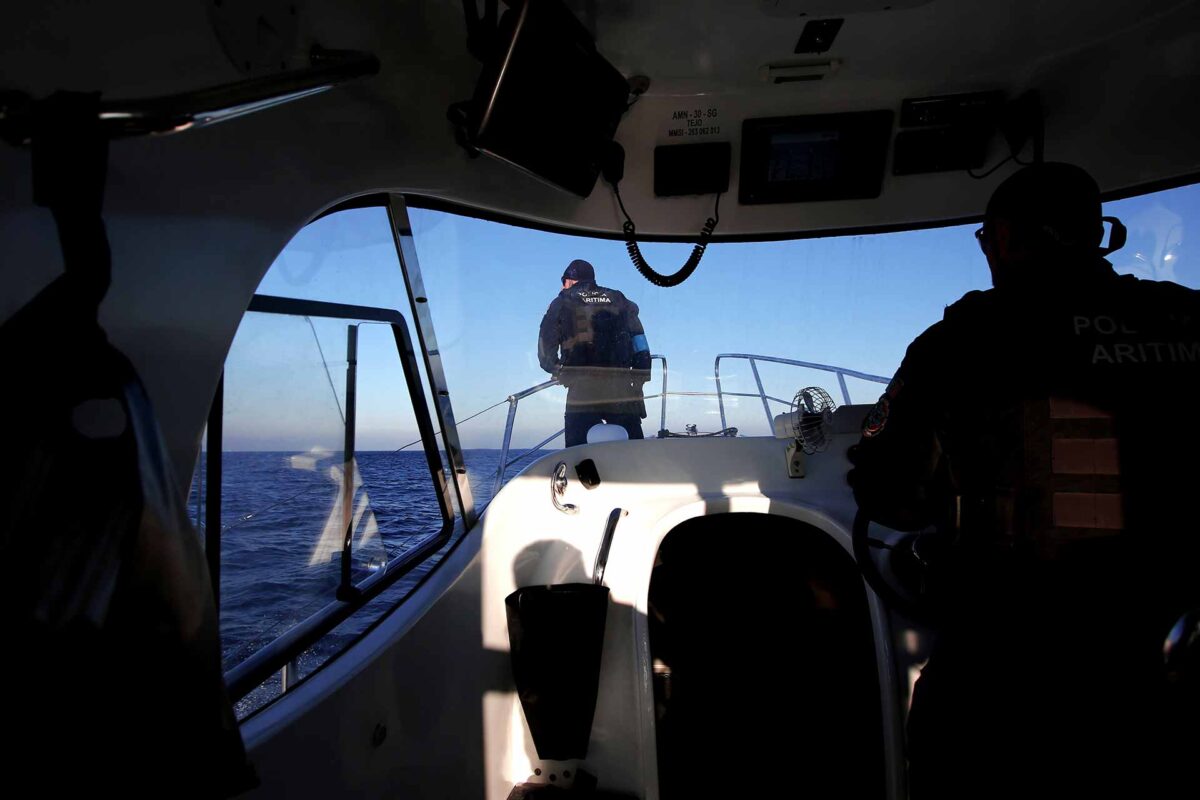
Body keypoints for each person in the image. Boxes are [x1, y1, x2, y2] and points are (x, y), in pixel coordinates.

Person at [847, 162, 1200, 798]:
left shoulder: (965, 339)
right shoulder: (1185, 320)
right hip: (1160, 660)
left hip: (1004, 669)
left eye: (985, 240)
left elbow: (890, 493)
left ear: (1004, 238)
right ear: (1098, 235)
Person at [538, 259, 651, 446]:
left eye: (564, 280)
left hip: (582, 389)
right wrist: (640, 378)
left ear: (571, 280)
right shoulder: (619, 299)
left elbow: (546, 345)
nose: (562, 285)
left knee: (578, 450)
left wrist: (557, 370)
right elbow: (640, 342)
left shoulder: (562, 302)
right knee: (634, 448)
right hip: (622, 386)